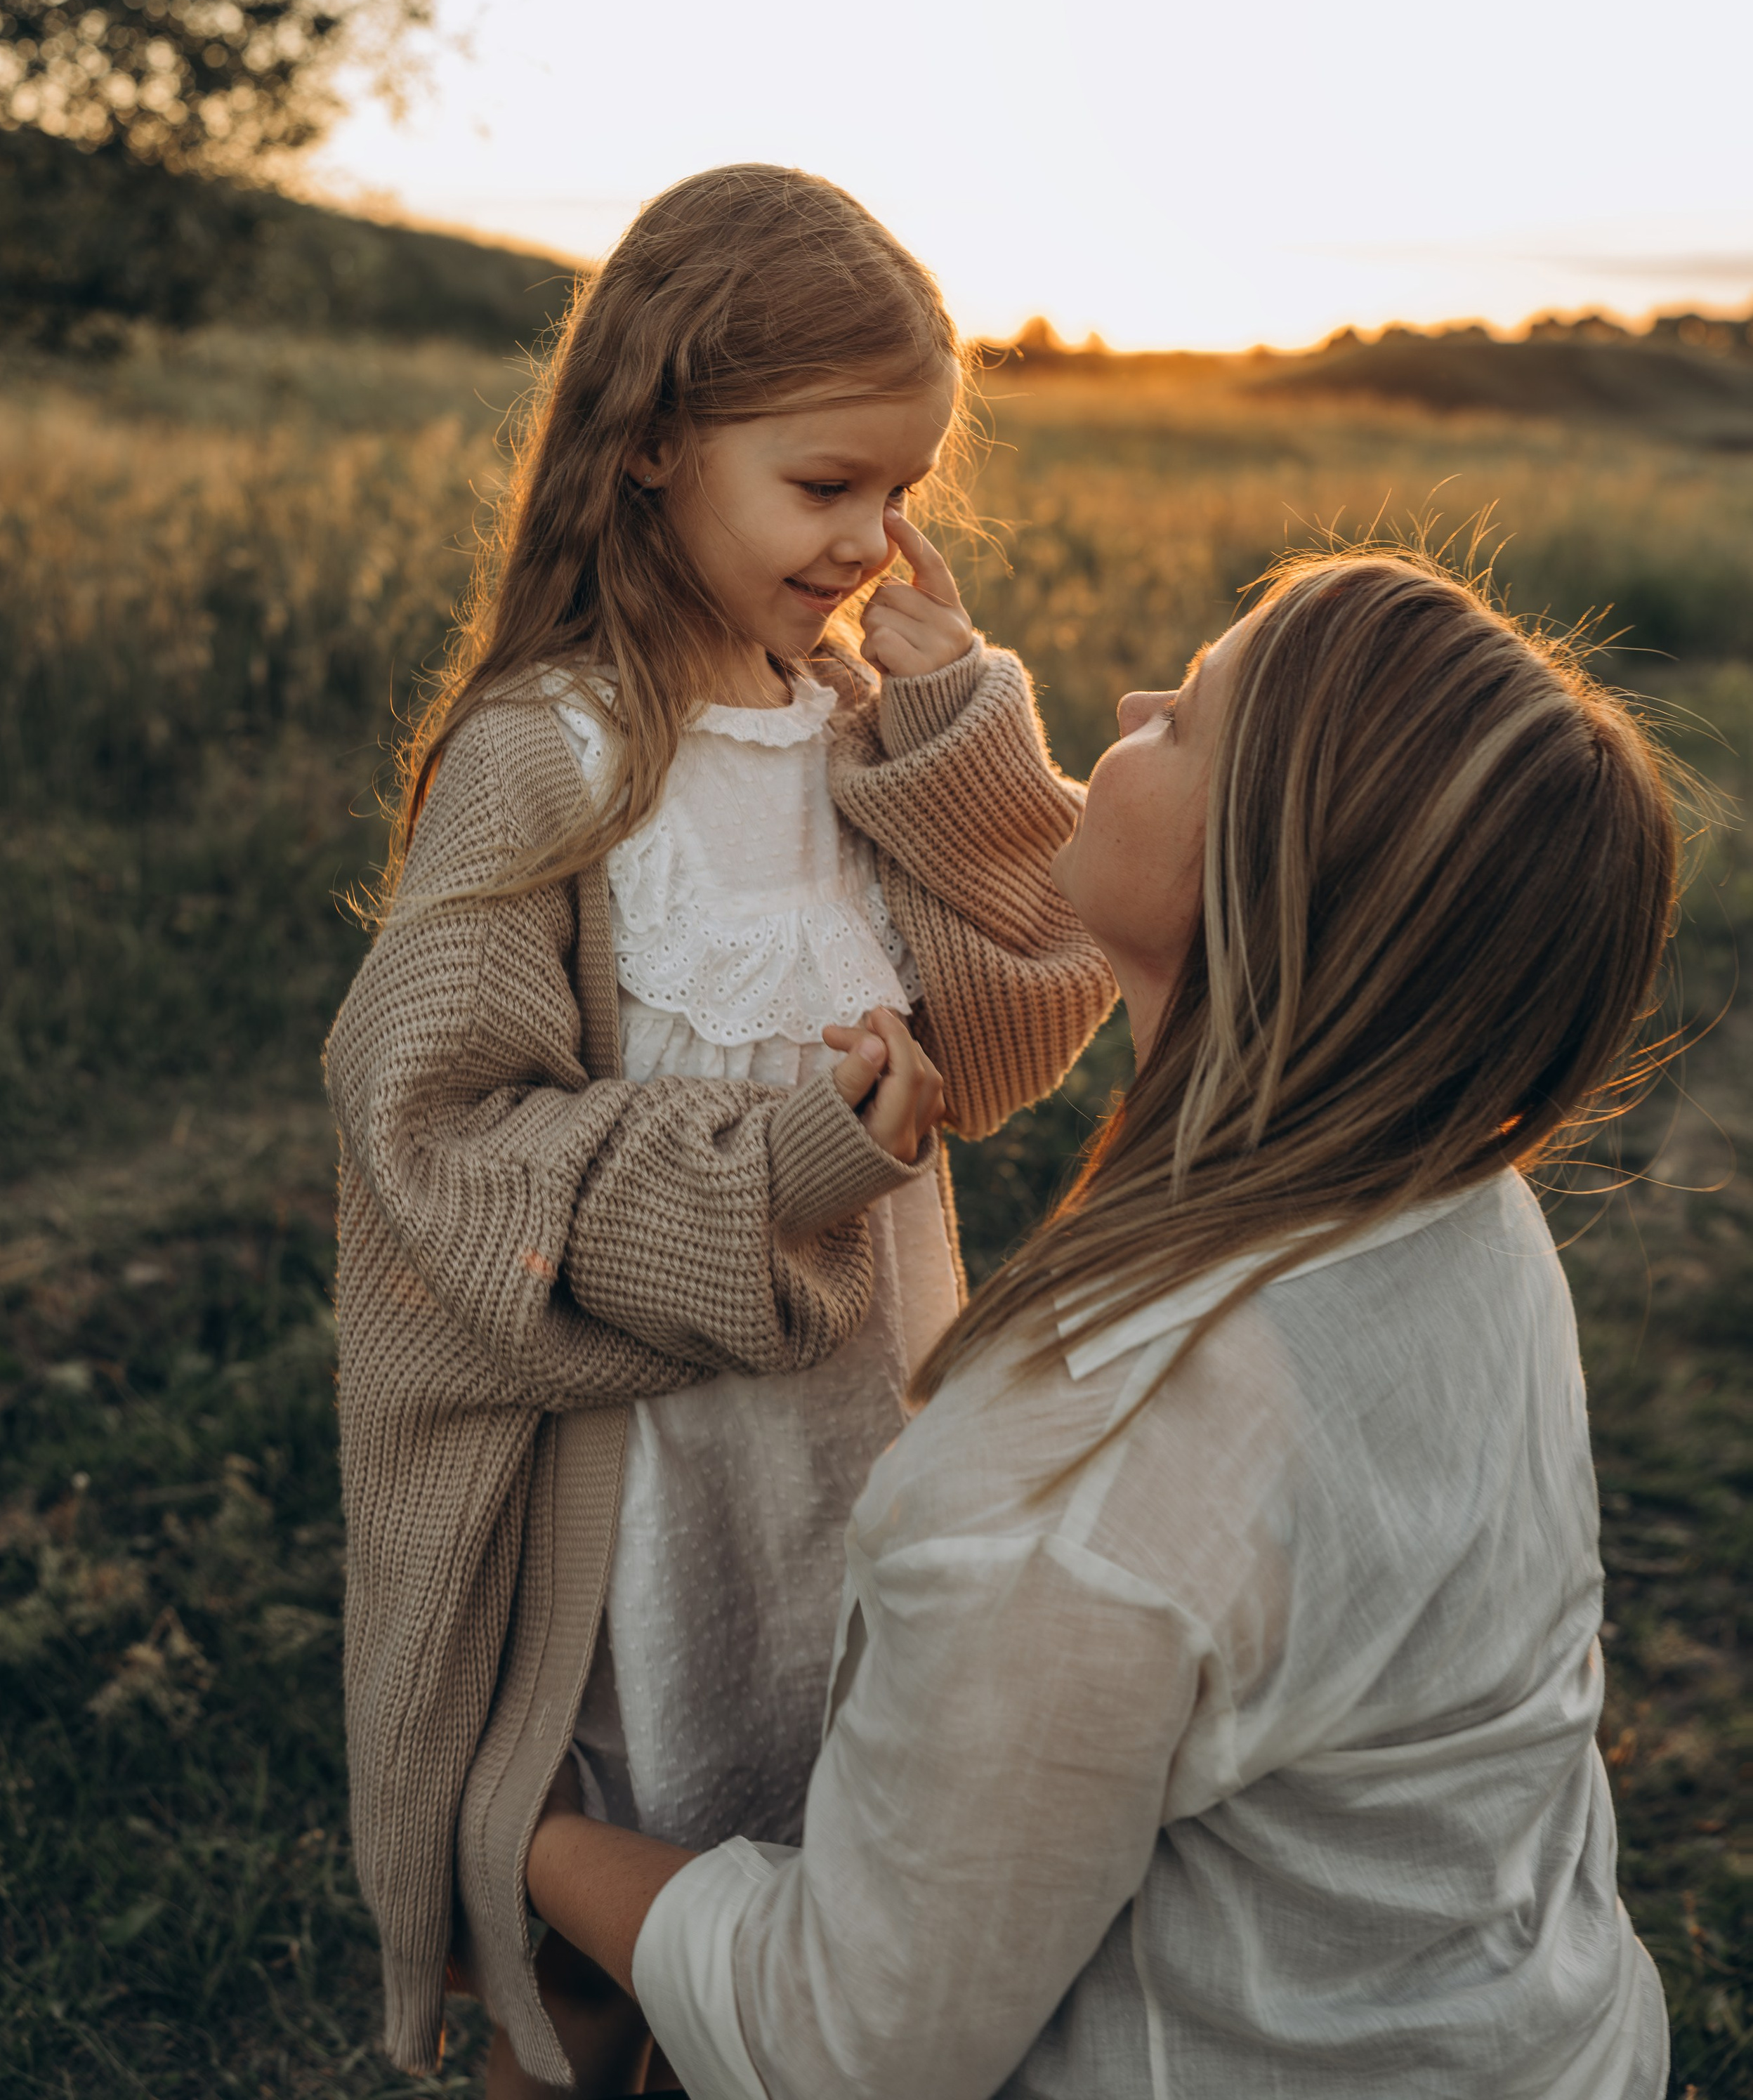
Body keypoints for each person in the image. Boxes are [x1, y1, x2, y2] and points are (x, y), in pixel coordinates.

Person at [523, 547, 1678, 2100]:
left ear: (1260, 884)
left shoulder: (1083, 1482)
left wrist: (526, 1841)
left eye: (1183, 718)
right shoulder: (1457, 1205)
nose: (1128, 702)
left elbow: (845, 2050)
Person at [323, 164, 1116, 2092]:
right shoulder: (558, 758)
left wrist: (957, 755)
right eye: (827, 484)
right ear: (662, 442)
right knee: (596, 1964)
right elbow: (424, 1128)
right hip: (646, 1494)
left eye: (904, 492)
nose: (875, 538)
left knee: (830, 1890)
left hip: (854, 1449)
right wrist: (778, 1168)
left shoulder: (854, 726)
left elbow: (1024, 1018)